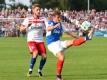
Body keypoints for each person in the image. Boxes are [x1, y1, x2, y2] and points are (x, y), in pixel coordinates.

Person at [46, 10, 94, 80]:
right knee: (61, 57)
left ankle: (86, 38)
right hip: (51, 44)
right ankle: (58, 77)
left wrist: (78, 37)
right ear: (54, 17)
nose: (59, 19)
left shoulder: (60, 24)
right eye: (58, 17)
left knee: (72, 42)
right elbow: (48, 28)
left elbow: (69, 33)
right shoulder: (51, 22)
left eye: (60, 17)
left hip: (58, 42)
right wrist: (54, 26)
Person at [20, 4, 47, 77]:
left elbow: (48, 26)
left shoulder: (43, 19)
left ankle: (39, 71)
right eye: (37, 10)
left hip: (40, 41)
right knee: (35, 52)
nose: (39, 11)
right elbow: (21, 29)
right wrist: (27, 26)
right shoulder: (28, 19)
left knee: (44, 56)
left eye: (39, 10)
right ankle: (30, 70)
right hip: (31, 40)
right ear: (33, 11)